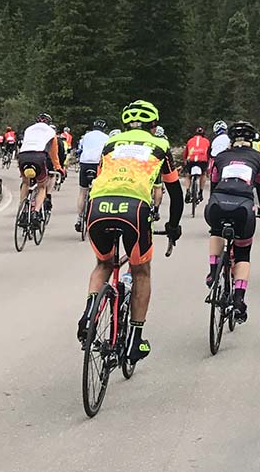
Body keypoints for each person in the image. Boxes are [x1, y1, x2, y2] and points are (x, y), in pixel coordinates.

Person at [78, 101, 182, 366]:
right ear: (154, 126)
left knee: (103, 263)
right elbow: (175, 193)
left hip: (98, 206)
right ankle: (135, 339)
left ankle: (90, 313)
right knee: (141, 272)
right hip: (134, 210)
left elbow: (100, 178)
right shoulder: (160, 146)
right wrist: (173, 226)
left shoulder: (111, 145)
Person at [205, 120, 260, 322]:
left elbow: (214, 184)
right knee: (242, 253)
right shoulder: (259, 158)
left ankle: (213, 272)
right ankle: (239, 300)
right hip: (243, 208)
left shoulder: (221, 157)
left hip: (218, 203)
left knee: (216, 231)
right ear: (252, 140)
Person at [18, 112, 64, 227]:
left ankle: (23, 211)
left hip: (23, 156)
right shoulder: (51, 132)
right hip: (39, 157)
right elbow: (53, 154)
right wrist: (58, 168)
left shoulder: (29, 129)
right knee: (42, 186)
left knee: (25, 182)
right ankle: (36, 213)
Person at [74, 119, 108, 231]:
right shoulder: (107, 137)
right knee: (100, 192)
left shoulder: (86, 136)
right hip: (98, 164)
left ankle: (79, 219)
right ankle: (99, 218)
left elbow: (80, 149)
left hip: (85, 163)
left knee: (82, 191)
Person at [184, 125, 212, 203]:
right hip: (202, 161)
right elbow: (209, 153)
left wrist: (185, 160)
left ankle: (187, 191)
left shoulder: (190, 141)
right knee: (203, 174)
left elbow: (185, 154)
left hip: (191, 160)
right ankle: (201, 192)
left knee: (188, 175)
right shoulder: (206, 141)